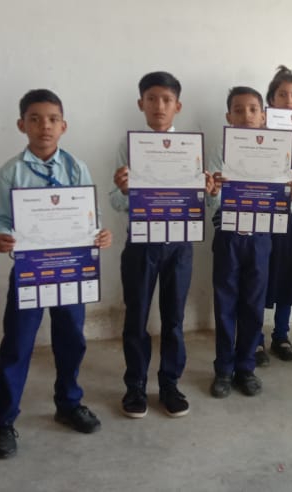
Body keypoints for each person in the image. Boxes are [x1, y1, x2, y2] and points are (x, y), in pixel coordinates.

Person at [0, 89, 113, 459]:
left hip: (71, 271)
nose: (45, 126)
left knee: (72, 339)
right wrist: (2, 237)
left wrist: (100, 234)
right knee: (17, 344)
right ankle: (3, 420)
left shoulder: (76, 168)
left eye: (53, 119)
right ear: (21, 125)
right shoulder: (10, 172)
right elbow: (0, 218)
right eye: (36, 119)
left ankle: (69, 403)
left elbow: (90, 215)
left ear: (63, 126)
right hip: (30, 272)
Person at [109, 71, 196, 418]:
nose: (159, 106)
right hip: (141, 243)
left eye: (167, 100)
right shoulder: (128, 145)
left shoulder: (190, 148)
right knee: (137, 316)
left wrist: (209, 190)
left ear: (178, 106)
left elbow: (199, 201)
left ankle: (170, 384)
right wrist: (124, 190)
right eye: (152, 99)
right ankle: (135, 385)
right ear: (140, 104)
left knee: (174, 319)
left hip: (180, 243)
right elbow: (116, 202)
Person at [207, 87, 292, 398]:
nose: (246, 115)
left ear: (263, 117)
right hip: (228, 237)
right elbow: (212, 202)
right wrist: (212, 191)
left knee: (253, 305)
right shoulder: (219, 152)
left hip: (261, 239)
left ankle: (246, 368)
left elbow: (286, 206)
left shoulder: (277, 152)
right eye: (238, 110)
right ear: (228, 117)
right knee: (225, 306)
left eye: (252, 109)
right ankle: (223, 369)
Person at [257, 65, 292, 366]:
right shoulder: (258, 132)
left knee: (289, 270)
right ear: (271, 101)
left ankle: (281, 334)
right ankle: (254, 337)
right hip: (263, 210)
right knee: (260, 271)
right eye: (282, 94)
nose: (289, 100)